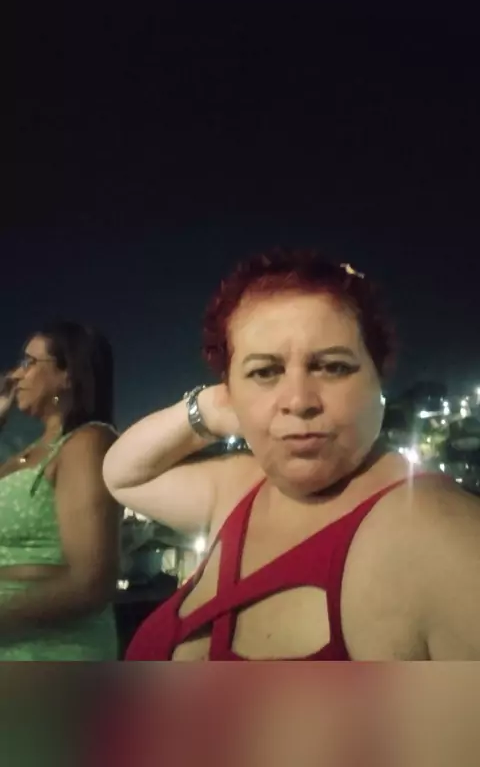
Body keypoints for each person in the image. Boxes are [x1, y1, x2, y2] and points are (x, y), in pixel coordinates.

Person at [104, 249, 480, 661]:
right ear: (229, 390)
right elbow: (122, 475)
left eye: (333, 367)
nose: (299, 400)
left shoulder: (441, 536)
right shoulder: (241, 488)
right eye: (265, 372)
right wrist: (209, 410)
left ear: (379, 377)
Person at [0, 321, 120, 660]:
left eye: (28, 362)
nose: (15, 375)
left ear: (68, 375)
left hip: (48, 651)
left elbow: (91, 582)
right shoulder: (23, 455)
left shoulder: (87, 443)